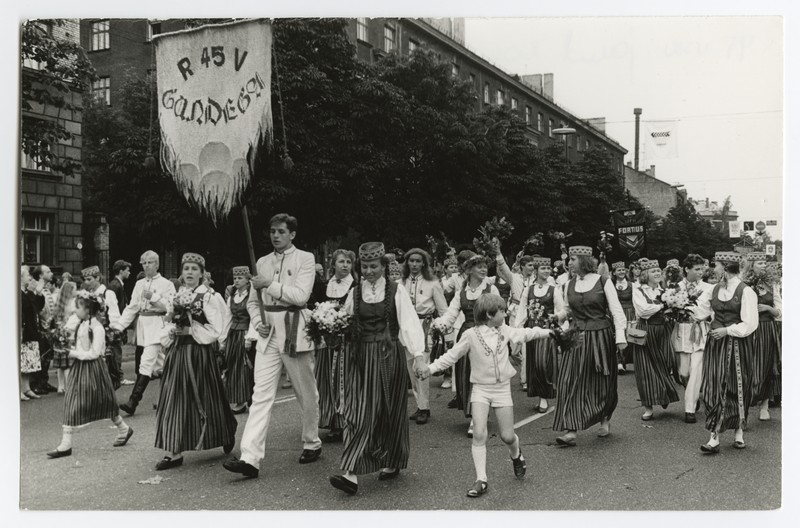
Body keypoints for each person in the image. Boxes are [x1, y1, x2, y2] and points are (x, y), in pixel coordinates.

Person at [419, 294, 550, 497]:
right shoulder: (470, 335)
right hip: (480, 389)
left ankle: (516, 454)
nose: (505, 314)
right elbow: (452, 356)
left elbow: (526, 333)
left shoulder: (504, 330)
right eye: (502, 311)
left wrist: (551, 332)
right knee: (479, 433)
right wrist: (430, 368)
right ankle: (481, 479)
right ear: (489, 314)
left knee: (507, 436)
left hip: (502, 389)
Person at [223, 214, 322, 479]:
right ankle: (250, 458)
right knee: (261, 395)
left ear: (292, 234)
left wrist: (269, 284)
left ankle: (312, 441)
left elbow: (300, 296)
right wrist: (258, 322)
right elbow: (253, 302)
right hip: (268, 334)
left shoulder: (305, 259)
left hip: (295, 330)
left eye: (281, 231)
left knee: (305, 391)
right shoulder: (262, 262)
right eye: (272, 231)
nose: (275, 236)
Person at [328, 242, 426, 495]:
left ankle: (392, 459)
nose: (369, 271)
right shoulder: (355, 292)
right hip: (359, 358)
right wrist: (330, 328)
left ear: (383, 265)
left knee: (390, 411)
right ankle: (350, 473)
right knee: (359, 411)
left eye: (373, 266)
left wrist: (418, 355)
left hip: (388, 356)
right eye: (365, 267)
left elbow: (409, 324)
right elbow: (344, 321)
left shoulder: (396, 291)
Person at [152, 253, 237, 470]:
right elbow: (169, 321)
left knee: (208, 396)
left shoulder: (209, 296)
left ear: (202, 273)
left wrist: (192, 330)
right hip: (177, 353)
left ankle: (225, 430)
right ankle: (173, 451)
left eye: (194, 269)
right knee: (173, 397)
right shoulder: (178, 295)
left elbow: (217, 328)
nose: (189, 272)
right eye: (186, 268)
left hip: (199, 354)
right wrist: (172, 331)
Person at [553, 246, 627, 446]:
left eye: (573, 259)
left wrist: (620, 337)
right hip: (576, 336)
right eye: (569, 259)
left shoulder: (603, 281)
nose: (569, 263)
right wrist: (557, 317)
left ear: (584, 260)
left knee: (601, 380)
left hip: (600, 336)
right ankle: (570, 429)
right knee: (569, 379)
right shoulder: (568, 284)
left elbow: (616, 310)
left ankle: (604, 418)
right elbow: (568, 310)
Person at [46, 290, 134, 458]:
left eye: (78, 307)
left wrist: (71, 353)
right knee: (71, 401)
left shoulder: (97, 328)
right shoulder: (81, 323)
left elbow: (94, 353)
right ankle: (66, 443)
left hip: (93, 367)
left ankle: (124, 429)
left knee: (105, 401)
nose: (75, 310)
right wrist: (60, 339)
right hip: (79, 367)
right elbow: (71, 336)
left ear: (87, 309)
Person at [691, 252, 758, 453]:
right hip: (716, 345)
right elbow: (700, 311)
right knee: (713, 387)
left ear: (726, 267)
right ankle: (714, 437)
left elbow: (750, 323)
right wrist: (682, 306)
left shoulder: (746, 291)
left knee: (737, 386)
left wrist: (727, 330)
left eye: (717, 265)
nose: (713, 268)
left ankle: (739, 431)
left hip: (738, 345)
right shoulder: (713, 289)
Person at [435, 253, 500, 437]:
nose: (484, 269)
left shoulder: (491, 289)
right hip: (466, 336)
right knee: (467, 375)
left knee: (482, 377)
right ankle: (474, 414)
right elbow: (451, 314)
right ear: (469, 270)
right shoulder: (461, 292)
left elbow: (499, 314)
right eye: (479, 266)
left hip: (486, 336)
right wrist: (441, 325)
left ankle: (478, 418)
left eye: (485, 266)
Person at [112, 251, 176, 415]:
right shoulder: (139, 284)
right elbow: (132, 307)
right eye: (144, 263)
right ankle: (170, 397)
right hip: (144, 326)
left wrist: (154, 297)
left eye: (150, 262)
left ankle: (133, 402)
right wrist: (119, 327)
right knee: (163, 365)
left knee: (146, 363)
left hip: (158, 326)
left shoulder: (166, 284)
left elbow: (170, 307)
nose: (147, 266)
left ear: (157, 264)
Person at [400, 248, 448, 425]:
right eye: (411, 261)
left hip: (424, 327)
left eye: (418, 261)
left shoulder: (432, 283)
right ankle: (420, 404)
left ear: (423, 264)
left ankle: (424, 407)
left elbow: (443, 309)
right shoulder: (400, 283)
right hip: (405, 329)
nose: (414, 264)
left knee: (422, 367)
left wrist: (444, 330)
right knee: (410, 369)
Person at [631, 260, 680, 421]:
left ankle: (664, 393)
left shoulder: (664, 290)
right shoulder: (638, 290)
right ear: (646, 275)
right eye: (653, 271)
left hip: (663, 330)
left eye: (659, 270)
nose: (658, 273)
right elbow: (643, 311)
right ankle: (648, 407)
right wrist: (663, 305)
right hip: (645, 330)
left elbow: (674, 308)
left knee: (666, 362)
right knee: (645, 368)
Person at [316, 249, 357, 443]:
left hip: (346, 342)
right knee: (326, 380)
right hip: (326, 342)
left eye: (348, 262)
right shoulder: (325, 285)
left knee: (344, 380)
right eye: (341, 261)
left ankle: (347, 422)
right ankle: (332, 421)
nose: (345, 265)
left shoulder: (355, 287)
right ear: (333, 264)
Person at [515, 256, 564, 412]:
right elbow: (521, 311)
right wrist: (518, 331)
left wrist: (562, 331)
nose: (546, 271)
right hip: (531, 330)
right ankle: (541, 396)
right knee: (534, 365)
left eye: (548, 268)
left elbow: (561, 312)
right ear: (536, 270)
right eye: (543, 268)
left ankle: (545, 396)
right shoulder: (528, 290)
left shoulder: (554, 290)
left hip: (546, 331)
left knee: (544, 364)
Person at [673, 254, 713, 423]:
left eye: (702, 269)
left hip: (699, 330)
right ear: (686, 269)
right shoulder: (676, 287)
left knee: (696, 370)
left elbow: (711, 310)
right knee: (683, 372)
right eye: (696, 269)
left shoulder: (709, 288)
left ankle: (690, 407)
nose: (700, 272)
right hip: (681, 330)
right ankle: (691, 393)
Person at [742, 252, 782, 422]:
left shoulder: (772, 284)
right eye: (760, 263)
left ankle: (764, 406)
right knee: (748, 367)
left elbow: (779, 312)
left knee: (766, 366)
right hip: (749, 329)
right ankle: (744, 408)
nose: (764, 266)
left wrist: (767, 308)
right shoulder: (743, 284)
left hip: (766, 329)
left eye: (765, 263)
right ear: (751, 265)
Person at [222, 266, 254, 414]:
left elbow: (254, 318)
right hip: (233, 334)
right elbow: (227, 318)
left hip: (245, 334)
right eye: (235, 278)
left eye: (240, 278)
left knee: (244, 368)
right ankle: (237, 399)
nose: (236, 281)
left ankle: (247, 399)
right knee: (232, 367)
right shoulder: (232, 297)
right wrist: (223, 339)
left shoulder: (251, 296)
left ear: (247, 280)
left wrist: (249, 338)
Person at [31, 265, 57, 394]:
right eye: (48, 271)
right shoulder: (36, 287)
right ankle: (37, 383)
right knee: (41, 355)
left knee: (47, 355)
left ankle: (44, 381)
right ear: (40, 275)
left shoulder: (46, 287)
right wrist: (45, 320)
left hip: (48, 325)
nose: (51, 273)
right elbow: (37, 306)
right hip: (41, 326)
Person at [48, 280, 78, 394]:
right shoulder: (73, 304)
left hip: (59, 335)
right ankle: (69, 386)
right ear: (70, 291)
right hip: (69, 335)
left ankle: (60, 386)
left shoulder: (59, 304)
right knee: (68, 364)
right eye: (75, 289)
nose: (76, 291)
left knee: (60, 365)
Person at [20, 266, 44, 401]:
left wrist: (38, 293)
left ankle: (26, 388)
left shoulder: (27, 292)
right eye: (27, 275)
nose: (30, 277)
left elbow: (37, 307)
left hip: (31, 330)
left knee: (27, 362)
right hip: (23, 331)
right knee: (21, 362)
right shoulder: (17, 293)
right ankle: (19, 389)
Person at [108, 260, 133, 385]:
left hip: (118, 324)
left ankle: (117, 376)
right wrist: (118, 326)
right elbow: (113, 308)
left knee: (116, 351)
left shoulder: (118, 285)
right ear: (121, 271)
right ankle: (118, 377)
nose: (129, 272)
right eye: (127, 270)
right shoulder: (114, 286)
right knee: (116, 351)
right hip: (116, 325)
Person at [610, 261, 634, 374]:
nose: (621, 272)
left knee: (628, 337)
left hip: (629, 312)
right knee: (616, 336)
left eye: (623, 270)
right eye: (619, 270)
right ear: (614, 272)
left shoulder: (631, 285)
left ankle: (625, 360)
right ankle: (618, 362)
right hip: (615, 312)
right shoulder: (610, 285)